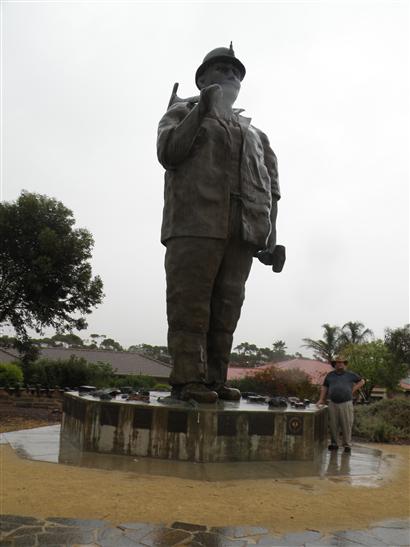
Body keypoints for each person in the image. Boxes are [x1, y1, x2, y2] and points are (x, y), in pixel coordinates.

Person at [157, 44, 284, 403]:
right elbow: (169, 153)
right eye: (221, 69)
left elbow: (273, 190)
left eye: (235, 72)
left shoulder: (259, 137)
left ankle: (215, 379)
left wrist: (272, 236)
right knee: (190, 304)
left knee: (227, 308)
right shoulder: (181, 111)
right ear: (202, 78)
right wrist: (199, 109)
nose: (230, 75)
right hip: (194, 223)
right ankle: (187, 380)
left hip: (244, 230)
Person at [317, 357, 365, 453]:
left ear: (345, 364)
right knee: (333, 425)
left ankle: (347, 445)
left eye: (342, 362)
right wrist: (321, 399)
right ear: (334, 364)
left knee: (346, 424)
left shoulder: (350, 375)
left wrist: (353, 389)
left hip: (346, 403)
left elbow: (362, 381)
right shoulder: (330, 375)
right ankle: (334, 444)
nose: (340, 364)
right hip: (332, 403)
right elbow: (325, 387)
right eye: (338, 363)